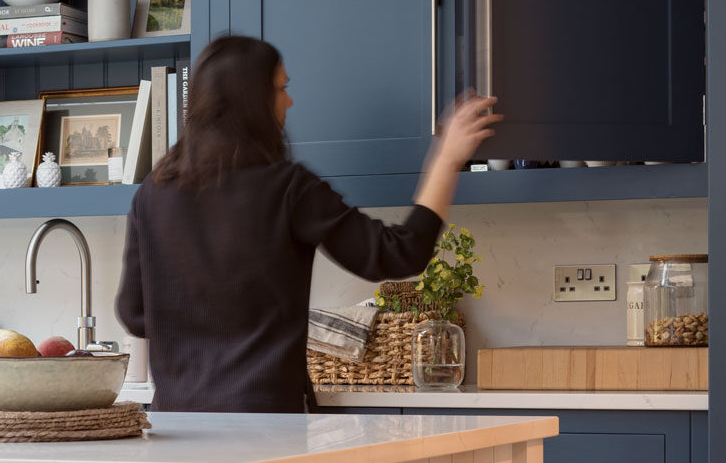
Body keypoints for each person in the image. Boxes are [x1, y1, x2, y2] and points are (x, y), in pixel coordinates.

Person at [114, 34, 500, 413]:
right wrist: (446, 159)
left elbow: (135, 313)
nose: (290, 100)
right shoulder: (287, 188)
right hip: (267, 427)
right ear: (253, 102)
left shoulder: (153, 192)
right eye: (281, 89)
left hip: (180, 427)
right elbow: (399, 254)